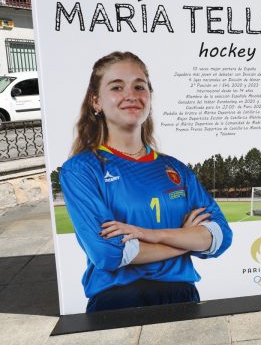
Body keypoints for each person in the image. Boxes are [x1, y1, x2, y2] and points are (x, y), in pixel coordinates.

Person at [59, 51, 232, 313]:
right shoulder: (81, 170)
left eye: (139, 86)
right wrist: (184, 240)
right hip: (118, 301)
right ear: (96, 102)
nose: (131, 94)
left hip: (183, 295)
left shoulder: (175, 169)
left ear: (149, 97)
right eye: (117, 87)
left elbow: (220, 236)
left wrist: (151, 235)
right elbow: (108, 253)